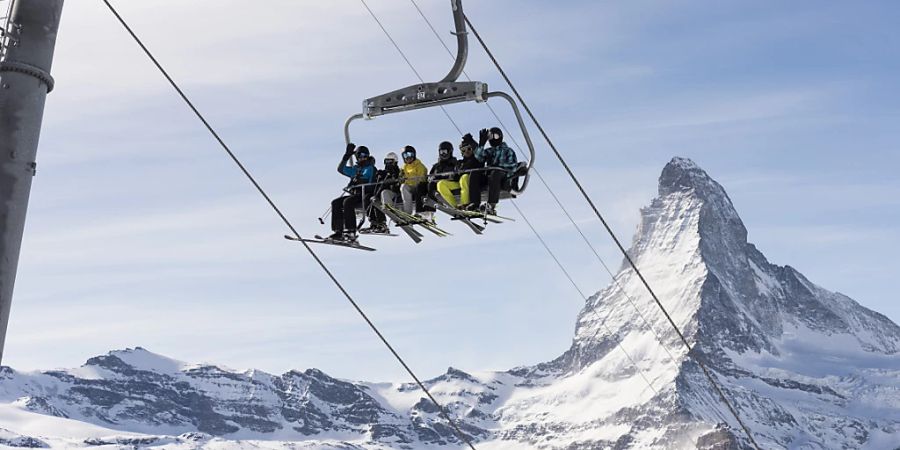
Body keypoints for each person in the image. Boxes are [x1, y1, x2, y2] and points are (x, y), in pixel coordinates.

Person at [329, 143, 376, 241]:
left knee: (347, 202)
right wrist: (346, 156)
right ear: (357, 157)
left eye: (365, 156)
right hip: (355, 194)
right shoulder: (355, 169)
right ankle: (338, 231)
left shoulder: (370, 167)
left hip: (364, 193)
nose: (363, 158)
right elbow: (341, 169)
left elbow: (367, 178)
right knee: (336, 202)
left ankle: (351, 231)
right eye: (361, 156)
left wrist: (358, 179)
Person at [469, 127, 517, 215]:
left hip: (503, 177)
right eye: (490, 137)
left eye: (495, 136)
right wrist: (482, 143)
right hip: (490, 176)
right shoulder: (490, 151)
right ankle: (475, 203)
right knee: (475, 173)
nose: (493, 139)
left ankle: (491, 205)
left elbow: (513, 166)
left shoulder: (508, 151)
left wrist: (498, 166)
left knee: (495, 173)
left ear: (500, 137)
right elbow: (479, 157)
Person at [436, 133, 483, 209]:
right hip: (460, 183)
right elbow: (456, 175)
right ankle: (454, 206)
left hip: (472, 182)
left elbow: (479, 156)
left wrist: (473, 144)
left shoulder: (476, 159)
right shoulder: (460, 162)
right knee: (441, 184)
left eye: (469, 149)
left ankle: (465, 204)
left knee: (464, 177)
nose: (466, 151)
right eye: (464, 150)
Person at [362, 151, 400, 234]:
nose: (388, 164)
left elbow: (395, 181)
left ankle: (382, 223)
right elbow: (378, 181)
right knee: (367, 198)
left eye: (390, 162)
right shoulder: (384, 172)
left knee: (377, 201)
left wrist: (390, 176)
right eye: (386, 161)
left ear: (395, 162)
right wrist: (379, 174)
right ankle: (373, 222)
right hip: (379, 192)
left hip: (390, 192)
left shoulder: (396, 171)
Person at [423, 141, 458, 215]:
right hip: (438, 186)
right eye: (441, 152)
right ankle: (429, 209)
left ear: (450, 152)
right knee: (430, 184)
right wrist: (431, 178)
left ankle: (451, 205)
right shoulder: (436, 166)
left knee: (437, 184)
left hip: (450, 185)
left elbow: (457, 174)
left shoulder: (454, 163)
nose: (443, 154)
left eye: (445, 151)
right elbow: (430, 176)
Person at [399, 145, 428, 216]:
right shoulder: (404, 167)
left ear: (414, 155)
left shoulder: (419, 165)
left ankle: (420, 212)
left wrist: (413, 180)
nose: (408, 157)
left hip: (420, 186)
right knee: (403, 187)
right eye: (405, 155)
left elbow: (422, 179)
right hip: (411, 187)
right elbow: (401, 178)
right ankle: (407, 212)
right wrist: (401, 178)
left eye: (409, 154)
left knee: (419, 187)